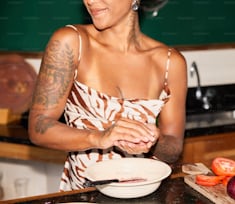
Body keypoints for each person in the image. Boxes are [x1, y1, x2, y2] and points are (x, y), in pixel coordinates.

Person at [28, 0, 187, 191]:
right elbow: (38, 127)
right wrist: (100, 137)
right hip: (85, 196)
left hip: (143, 194)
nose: (90, 0)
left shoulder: (171, 63)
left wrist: (154, 141)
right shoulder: (71, 41)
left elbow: (173, 148)